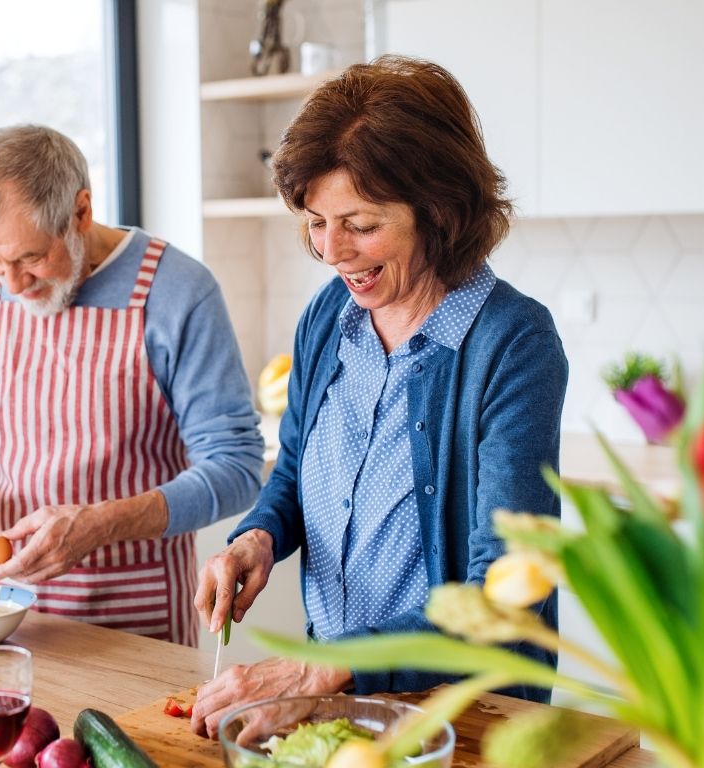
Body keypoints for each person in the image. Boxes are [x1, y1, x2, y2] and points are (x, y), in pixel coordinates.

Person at [191, 55, 569, 736]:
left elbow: (503, 598)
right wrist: (256, 539)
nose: (333, 251)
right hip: (337, 708)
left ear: (439, 210)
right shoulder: (328, 319)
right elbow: (298, 471)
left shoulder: (514, 343)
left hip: (467, 717)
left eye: (361, 225)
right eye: (314, 221)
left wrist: (320, 670)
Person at [0, 125, 264, 647]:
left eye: (30, 258)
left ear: (81, 211)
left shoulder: (178, 290)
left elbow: (237, 466)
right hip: (3, 616)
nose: (10, 284)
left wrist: (102, 523)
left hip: (136, 624)